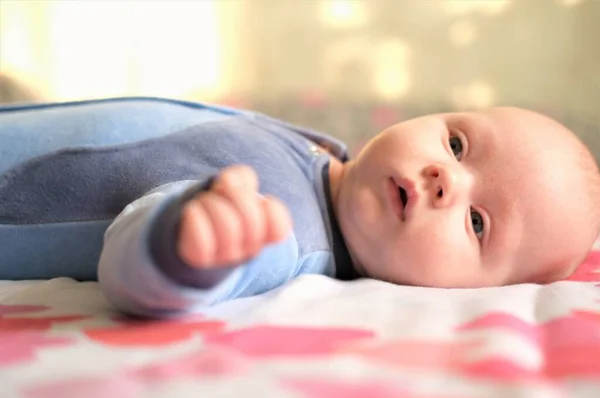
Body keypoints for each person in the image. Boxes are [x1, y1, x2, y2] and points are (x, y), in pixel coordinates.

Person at [0, 97, 598, 317]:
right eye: (458, 144)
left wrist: (185, 247)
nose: (447, 178)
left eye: (476, 222)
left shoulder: (280, 233)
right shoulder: (319, 156)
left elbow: (135, 278)